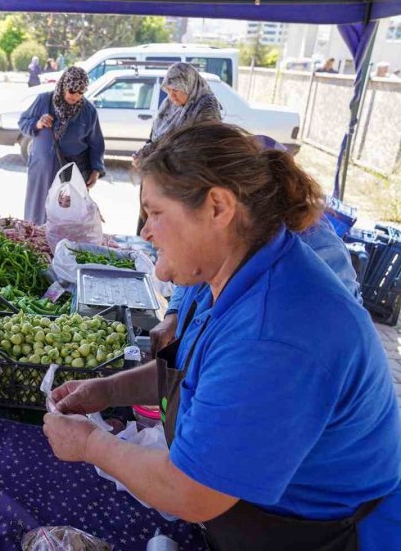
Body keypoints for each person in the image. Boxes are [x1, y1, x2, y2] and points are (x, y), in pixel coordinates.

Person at [44, 123, 401, 551]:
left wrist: (89, 443)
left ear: (217, 206)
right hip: (260, 508)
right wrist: (106, 390)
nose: (145, 232)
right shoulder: (225, 270)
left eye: (156, 213)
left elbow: (191, 492)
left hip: (325, 532)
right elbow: (188, 366)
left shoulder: (274, 334)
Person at [151, 134, 364, 353]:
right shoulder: (228, 235)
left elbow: (327, 336)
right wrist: (175, 314)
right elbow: (196, 276)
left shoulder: (316, 252)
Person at [133, 61, 222, 234]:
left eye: (175, 91)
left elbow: (200, 146)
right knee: (149, 224)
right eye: (168, 91)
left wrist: (157, 155)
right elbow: (155, 136)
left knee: (168, 232)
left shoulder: (206, 107)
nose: (171, 96)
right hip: (158, 172)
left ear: (188, 86)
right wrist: (144, 153)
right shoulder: (170, 104)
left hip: (181, 180)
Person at [19, 66, 105, 225]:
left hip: (71, 173)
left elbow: (96, 143)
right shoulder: (44, 100)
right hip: (42, 170)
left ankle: (60, 248)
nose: (76, 96)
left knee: (65, 217)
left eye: (81, 92)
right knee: (37, 214)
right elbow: (23, 122)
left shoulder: (88, 111)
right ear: (63, 85)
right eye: (72, 91)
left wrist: (96, 169)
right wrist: (38, 123)